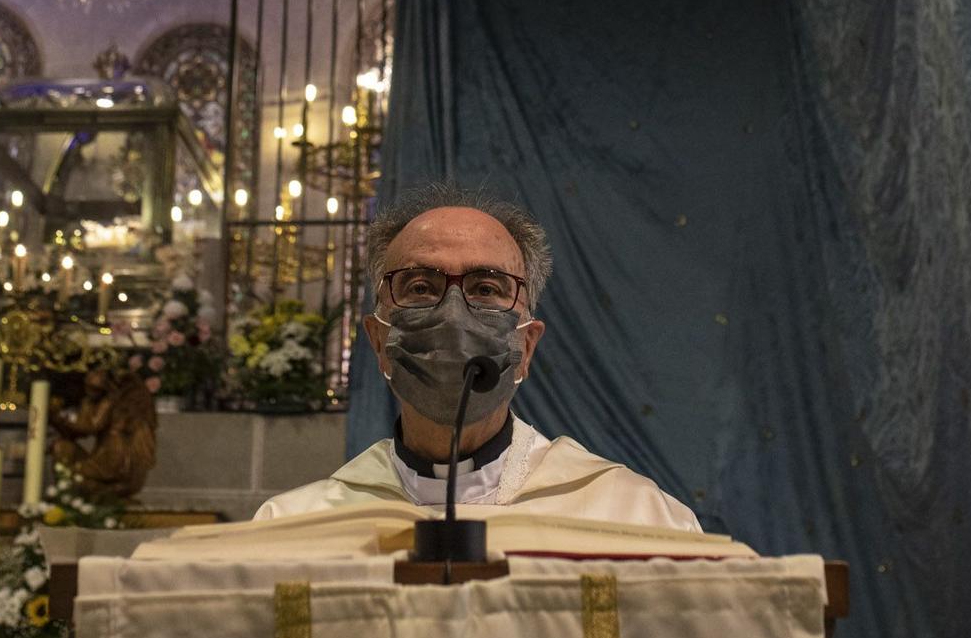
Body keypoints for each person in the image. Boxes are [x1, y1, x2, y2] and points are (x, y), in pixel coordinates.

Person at [254, 183, 701, 530]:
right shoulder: (294, 529)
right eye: (420, 287)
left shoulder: (636, 520)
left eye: (486, 289)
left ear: (526, 347)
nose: (453, 315)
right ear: (378, 342)